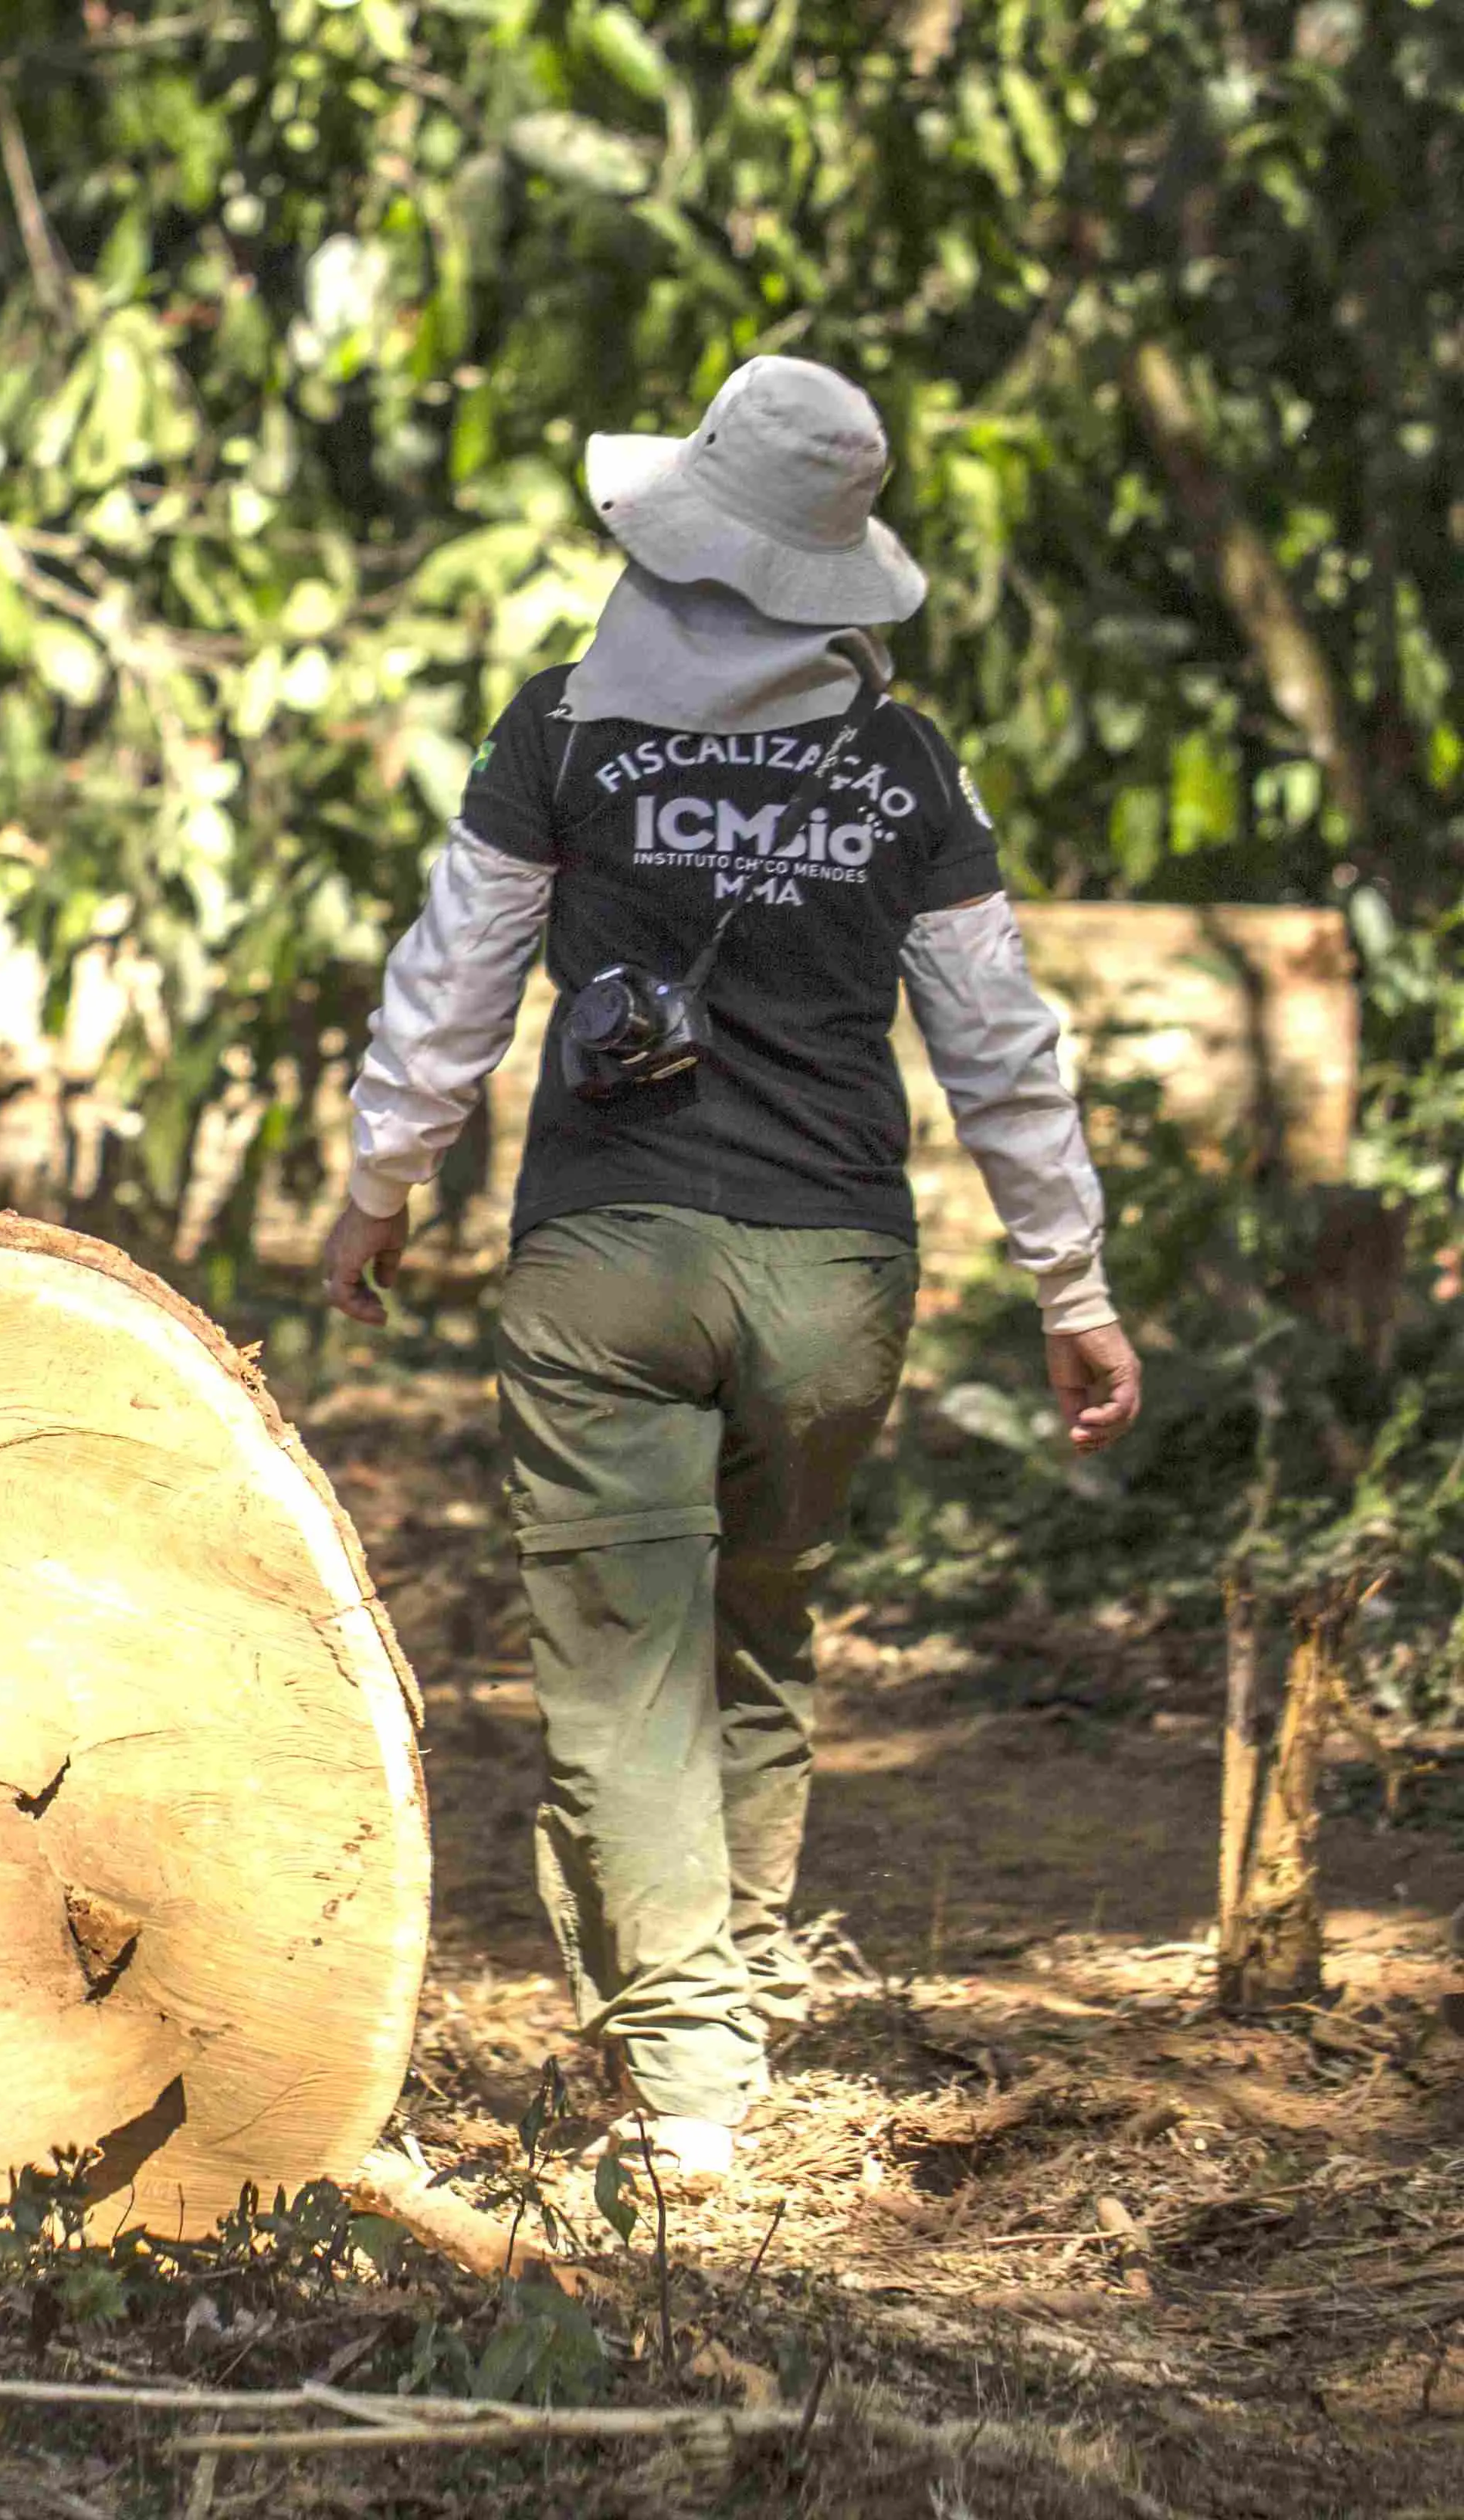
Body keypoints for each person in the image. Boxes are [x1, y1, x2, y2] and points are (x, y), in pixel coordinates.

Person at [320, 356, 1145, 2183]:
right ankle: (734, 1977)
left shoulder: (564, 734)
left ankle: (692, 2072)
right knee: (760, 1623)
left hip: (608, 1264)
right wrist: (1072, 1288)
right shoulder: (908, 766)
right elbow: (1001, 1042)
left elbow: (453, 983)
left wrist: (381, 1183)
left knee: (625, 1672)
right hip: (836, 1279)